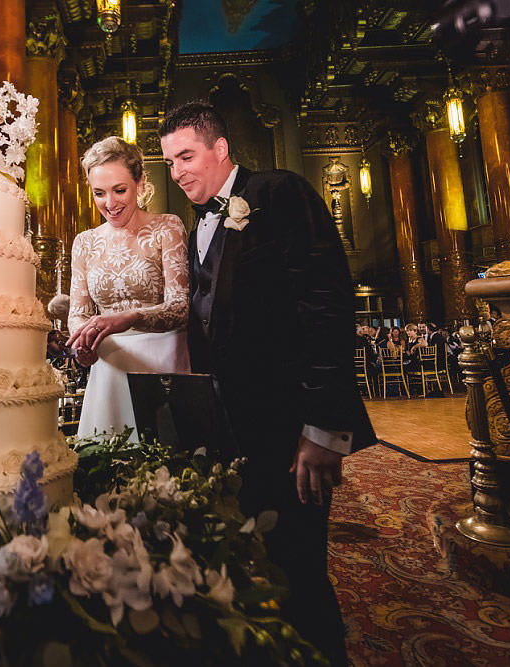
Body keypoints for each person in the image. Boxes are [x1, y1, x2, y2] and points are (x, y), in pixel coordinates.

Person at [159, 101, 375, 665]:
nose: (177, 171)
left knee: (300, 567)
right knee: (250, 560)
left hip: (289, 422)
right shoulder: (195, 227)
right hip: (229, 427)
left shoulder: (280, 194)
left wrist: (325, 426)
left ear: (220, 148)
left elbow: (325, 305)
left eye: (186, 155)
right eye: (169, 162)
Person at [67, 136, 190, 441]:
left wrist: (129, 318)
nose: (110, 204)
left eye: (119, 190)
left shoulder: (168, 228)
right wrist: (83, 345)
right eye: (99, 193)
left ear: (140, 182)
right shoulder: (84, 243)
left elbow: (180, 308)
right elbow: (78, 314)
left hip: (163, 364)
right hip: (109, 368)